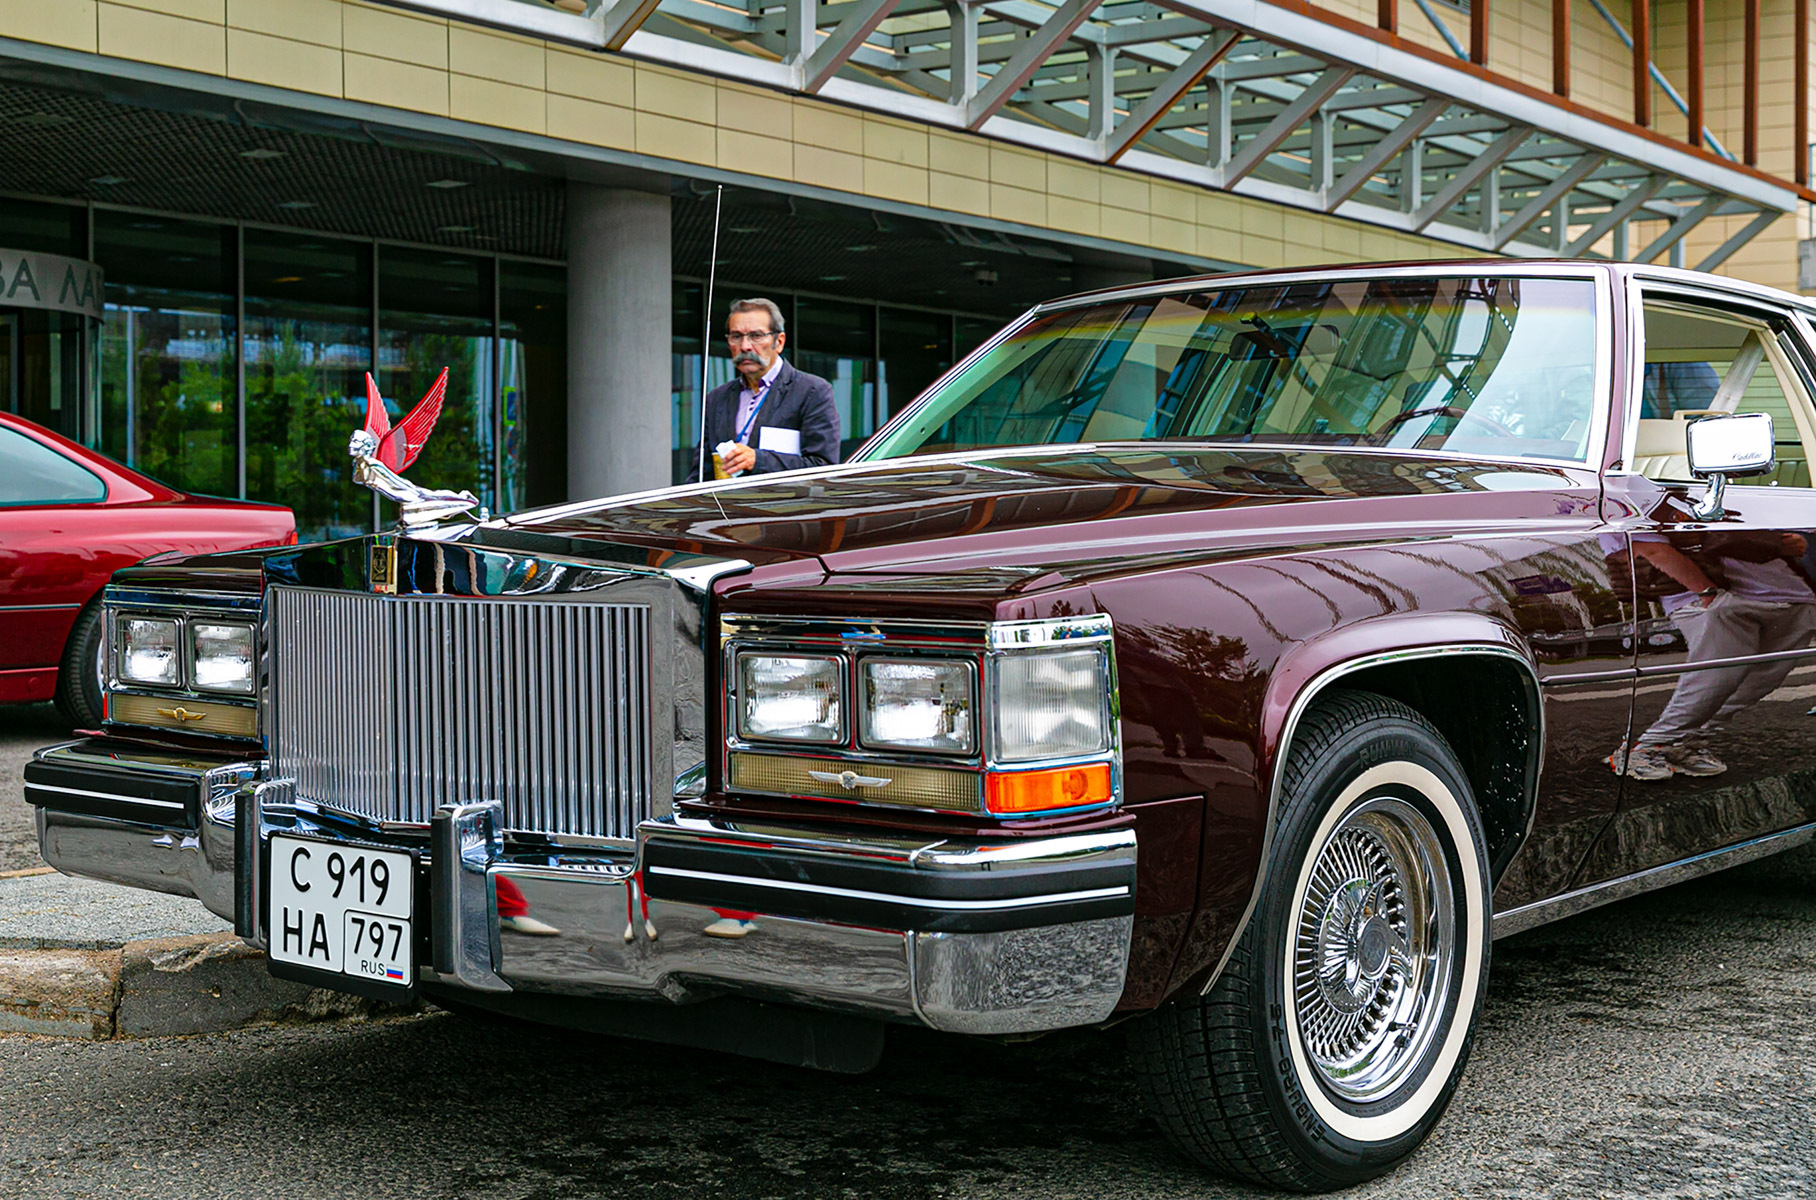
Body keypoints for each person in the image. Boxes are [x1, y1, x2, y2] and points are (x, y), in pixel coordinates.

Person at [693, 298, 840, 482]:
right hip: (728, 501)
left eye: (756, 336)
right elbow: (700, 475)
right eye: (736, 336)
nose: (745, 346)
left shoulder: (812, 392)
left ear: (779, 342)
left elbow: (823, 468)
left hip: (786, 501)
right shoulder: (717, 399)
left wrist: (758, 460)